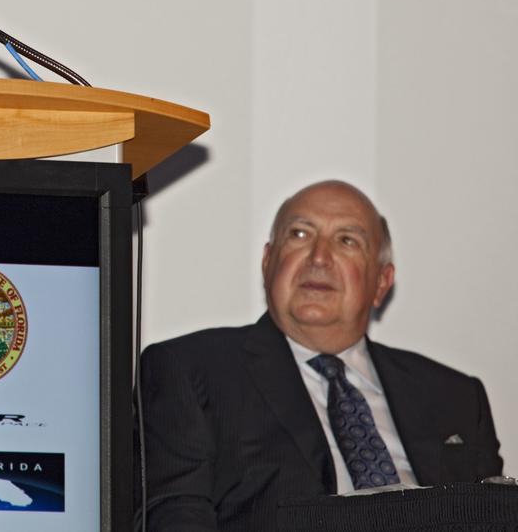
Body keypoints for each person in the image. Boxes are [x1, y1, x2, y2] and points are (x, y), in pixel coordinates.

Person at [136, 180, 503, 531]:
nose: (319, 257)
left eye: (347, 240)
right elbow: (175, 516)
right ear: (268, 262)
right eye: (299, 234)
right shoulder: (191, 370)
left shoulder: (455, 397)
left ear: (381, 282)